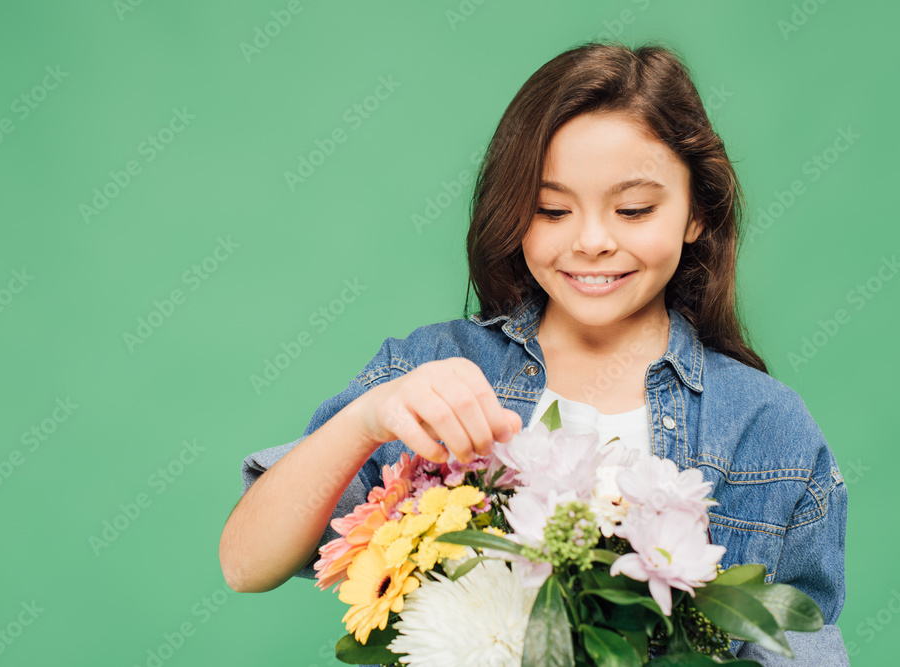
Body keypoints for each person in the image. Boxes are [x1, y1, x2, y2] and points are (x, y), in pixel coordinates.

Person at [219, 41, 848, 664]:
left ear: (697, 214)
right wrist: (367, 418)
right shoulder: (433, 368)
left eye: (633, 209)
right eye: (552, 209)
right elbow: (246, 564)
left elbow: (800, 645)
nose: (593, 241)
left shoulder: (769, 431)